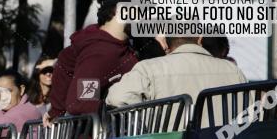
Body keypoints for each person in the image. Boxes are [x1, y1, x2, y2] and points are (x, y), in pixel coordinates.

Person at [44, 0, 140, 124]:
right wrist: (120, 109)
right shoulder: (101, 53)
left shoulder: (117, 45)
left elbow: (64, 61)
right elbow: (82, 102)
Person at [106, 36, 247, 107]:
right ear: (199, 39)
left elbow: (117, 98)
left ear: (166, 44)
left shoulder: (148, 68)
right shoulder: (233, 70)